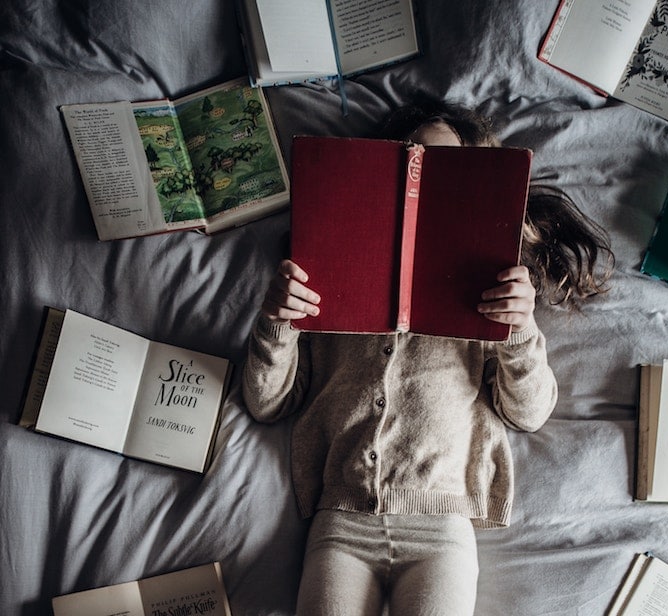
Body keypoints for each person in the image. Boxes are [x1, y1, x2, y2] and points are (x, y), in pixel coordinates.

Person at [242, 99, 614, 616]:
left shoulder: (489, 287)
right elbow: (267, 403)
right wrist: (277, 319)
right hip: (342, 520)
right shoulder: (330, 275)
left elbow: (529, 413)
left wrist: (519, 326)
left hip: (440, 525)